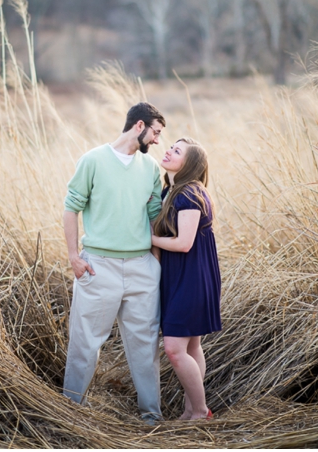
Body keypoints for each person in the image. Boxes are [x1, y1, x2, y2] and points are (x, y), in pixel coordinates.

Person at [62, 102, 166, 423]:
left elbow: (153, 219)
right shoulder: (93, 160)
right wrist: (74, 258)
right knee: (84, 344)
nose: (158, 141)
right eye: (156, 132)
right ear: (139, 126)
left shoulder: (150, 170)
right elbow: (71, 208)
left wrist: (155, 266)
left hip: (141, 269)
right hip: (98, 266)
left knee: (145, 348)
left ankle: (152, 417)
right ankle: (70, 414)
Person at [151, 137, 222, 421]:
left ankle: (201, 411)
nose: (168, 151)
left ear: (189, 164)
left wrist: (148, 239)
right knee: (192, 346)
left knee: (174, 348)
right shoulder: (169, 191)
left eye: (177, 151)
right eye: (171, 147)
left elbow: (183, 243)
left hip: (192, 278)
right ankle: (191, 410)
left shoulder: (190, 194)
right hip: (180, 276)